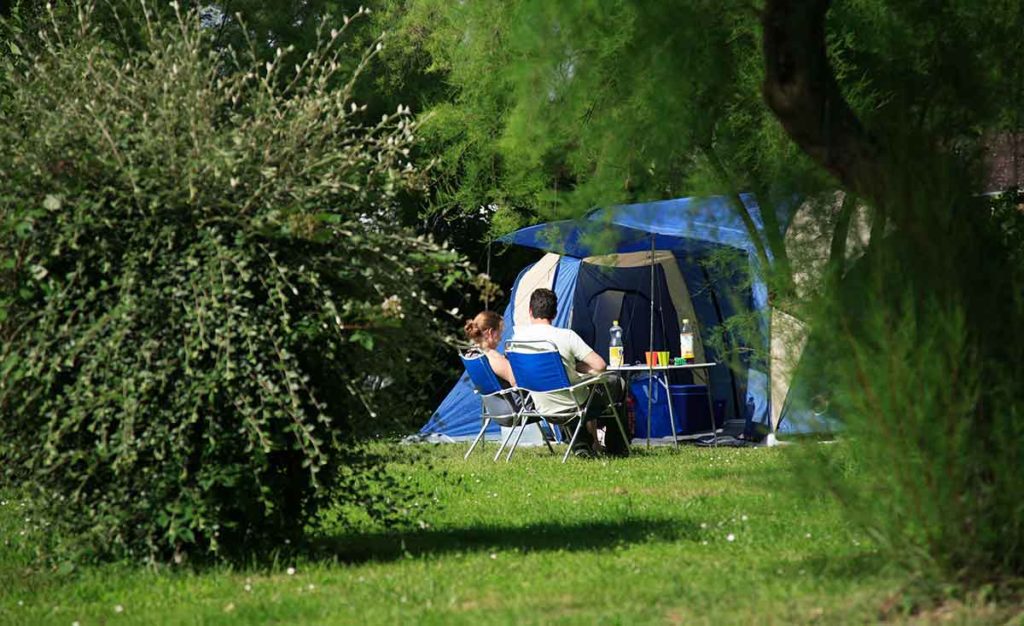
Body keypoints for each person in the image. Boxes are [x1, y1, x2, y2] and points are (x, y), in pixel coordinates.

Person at [510, 288, 628, 456]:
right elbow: (600, 365)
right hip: (573, 404)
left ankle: (581, 444)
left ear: (530, 311)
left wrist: (570, 368)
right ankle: (616, 447)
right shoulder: (566, 336)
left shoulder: (517, 340)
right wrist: (577, 367)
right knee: (616, 383)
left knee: (573, 389)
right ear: (555, 313)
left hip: (540, 405)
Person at [464, 310, 515, 387]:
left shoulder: (471, 355)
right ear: (490, 332)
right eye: (499, 333)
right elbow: (515, 381)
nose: (500, 338)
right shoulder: (492, 356)